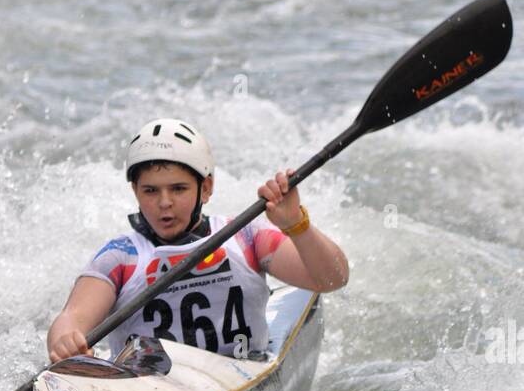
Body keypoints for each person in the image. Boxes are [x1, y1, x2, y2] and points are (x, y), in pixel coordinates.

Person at [47, 117, 349, 363]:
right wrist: (65, 342)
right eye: (150, 191)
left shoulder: (246, 237)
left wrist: (296, 224)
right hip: (144, 390)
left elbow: (332, 278)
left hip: (239, 372)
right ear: (135, 192)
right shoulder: (121, 257)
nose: (164, 202)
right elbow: (72, 317)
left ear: (205, 189)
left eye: (178, 189)